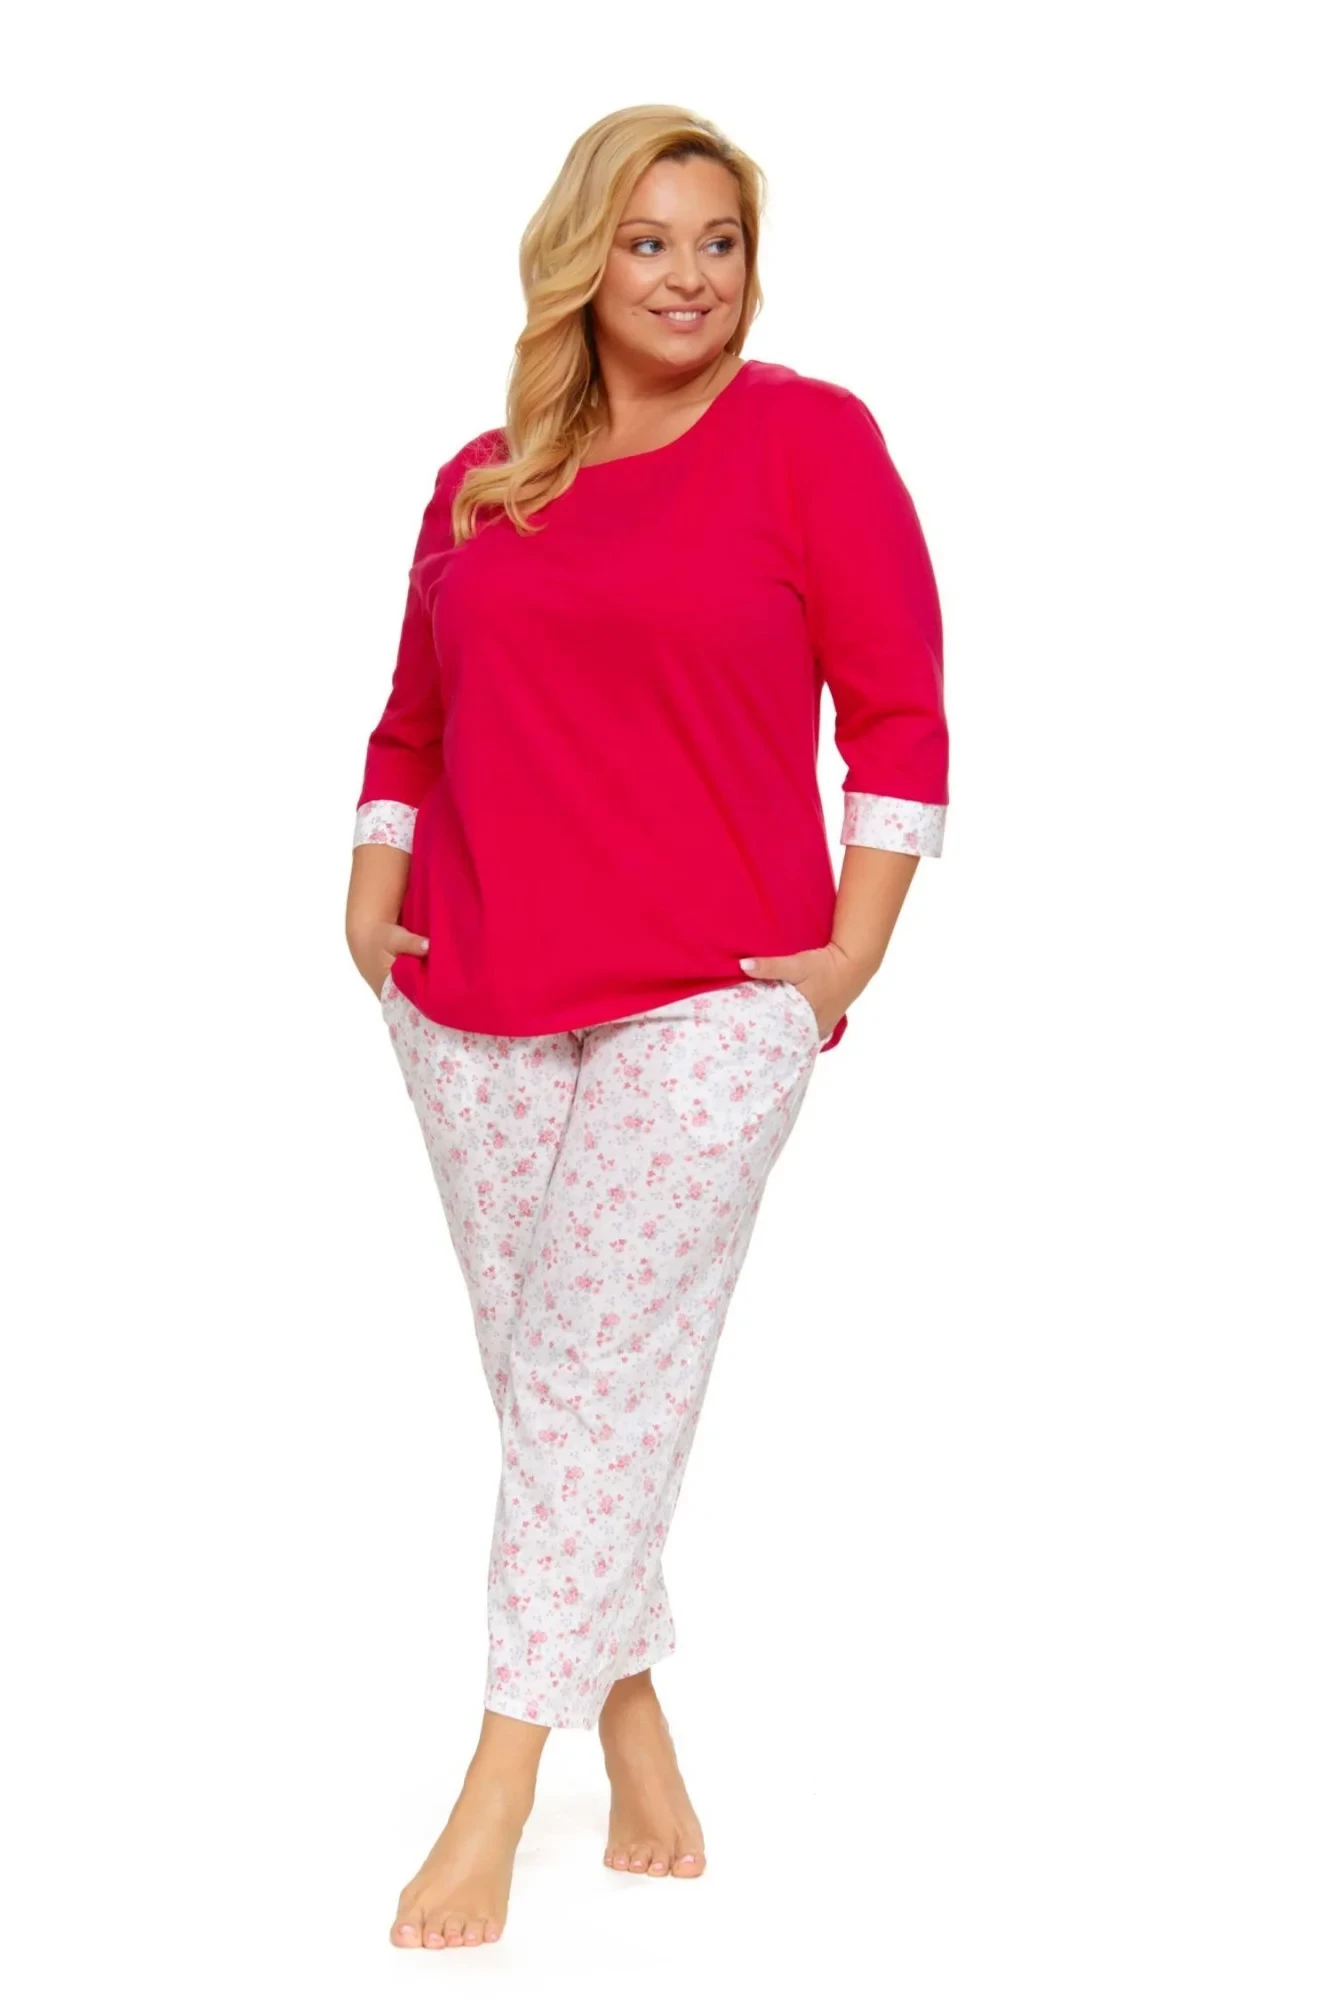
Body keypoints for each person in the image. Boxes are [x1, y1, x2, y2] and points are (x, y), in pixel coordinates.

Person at [344, 105, 949, 1951]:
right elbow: (411, 723)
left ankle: (497, 1780)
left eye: (719, 242)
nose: (691, 277)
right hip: (473, 990)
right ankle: (632, 1719)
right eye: (650, 241)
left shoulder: (811, 441)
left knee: (592, 1368)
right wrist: (370, 890)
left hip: (715, 996)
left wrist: (849, 957)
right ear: (579, 262)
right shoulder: (483, 479)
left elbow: (899, 716)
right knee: (557, 1380)